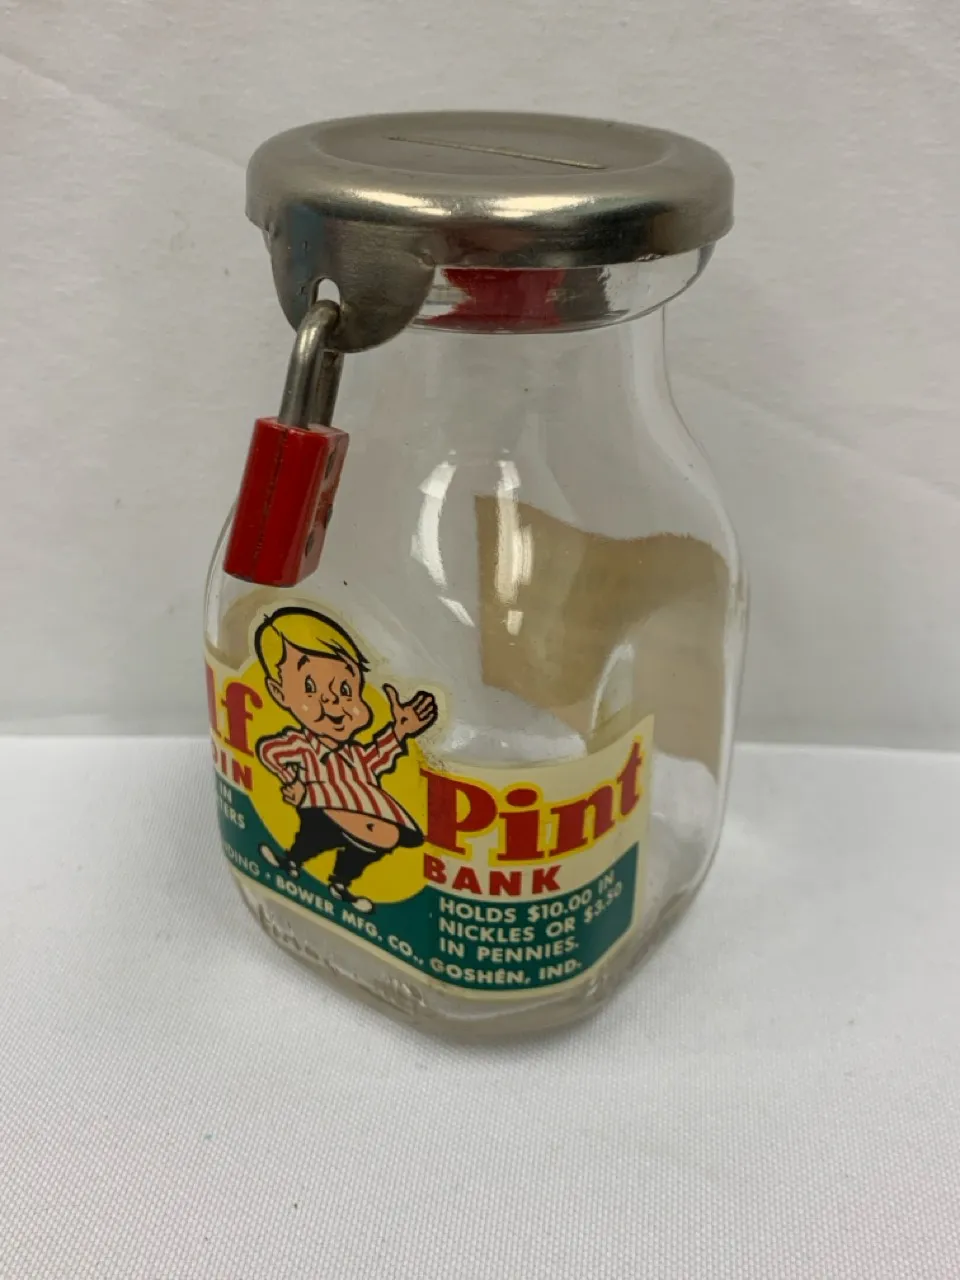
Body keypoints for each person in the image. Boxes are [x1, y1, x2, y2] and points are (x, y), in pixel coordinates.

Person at [254, 607, 437, 914]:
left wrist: (400, 730)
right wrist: (293, 783)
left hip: (360, 808)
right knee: (314, 837)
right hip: (320, 804)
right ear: (279, 692)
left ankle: (340, 883)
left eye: (344, 689)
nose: (333, 701)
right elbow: (270, 752)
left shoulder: (354, 756)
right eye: (310, 687)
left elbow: (376, 758)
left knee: (383, 838)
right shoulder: (303, 746)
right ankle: (291, 862)